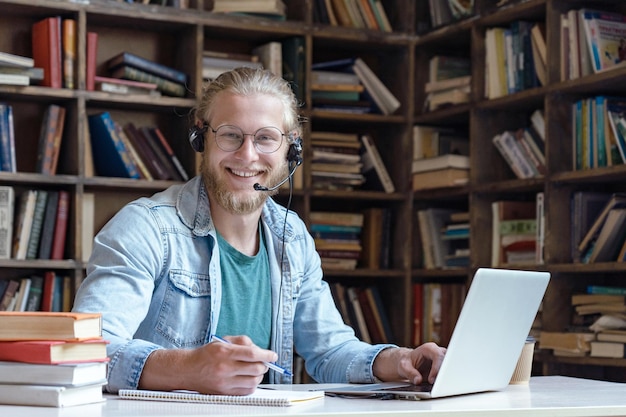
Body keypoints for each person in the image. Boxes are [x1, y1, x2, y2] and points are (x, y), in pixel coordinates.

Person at [72, 67, 446, 396]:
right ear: (201, 138)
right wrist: (190, 368)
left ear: (291, 147)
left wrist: (399, 361)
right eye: (231, 135)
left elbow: (330, 351)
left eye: (265, 138)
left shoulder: (292, 237)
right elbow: (88, 352)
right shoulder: (145, 227)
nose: (247, 155)